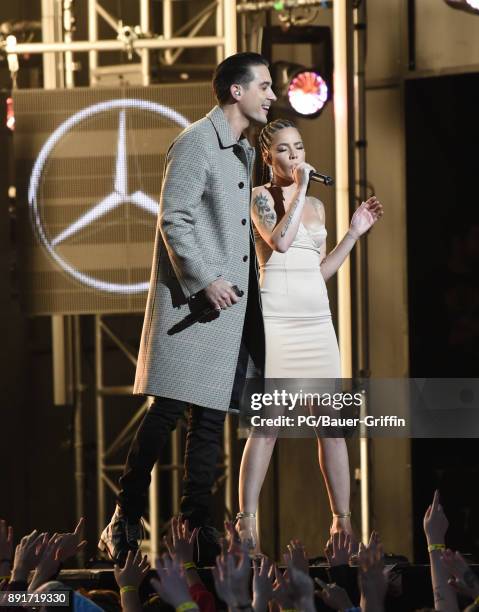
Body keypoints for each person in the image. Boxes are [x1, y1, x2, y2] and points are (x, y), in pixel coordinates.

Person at [98, 52, 277, 566]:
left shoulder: (242, 151)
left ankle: (198, 528)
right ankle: (125, 517)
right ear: (236, 92)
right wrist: (206, 280)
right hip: (193, 307)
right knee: (169, 412)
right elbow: (173, 219)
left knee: (209, 423)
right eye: (263, 86)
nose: (271, 94)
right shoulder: (197, 141)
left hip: (228, 312)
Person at [236, 118, 383, 553]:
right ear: (269, 157)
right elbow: (279, 243)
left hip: (316, 317)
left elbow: (319, 271)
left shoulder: (317, 207)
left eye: (298, 147)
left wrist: (353, 234)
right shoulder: (260, 198)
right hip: (277, 314)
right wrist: (297, 191)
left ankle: (343, 522)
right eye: (285, 149)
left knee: (330, 427)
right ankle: (247, 523)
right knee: (269, 426)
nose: (296, 155)